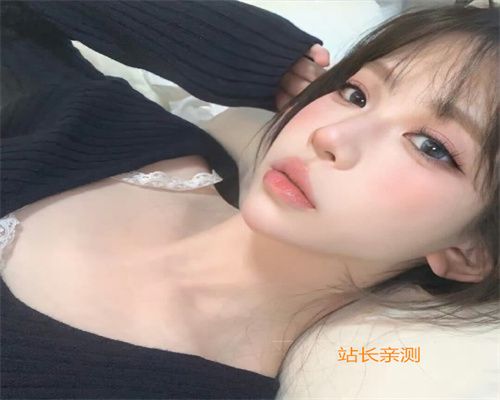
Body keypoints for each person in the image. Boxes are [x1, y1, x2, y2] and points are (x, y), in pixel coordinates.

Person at [0, 1, 498, 400]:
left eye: (431, 147)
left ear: (472, 252)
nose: (330, 135)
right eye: (354, 94)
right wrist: (254, 52)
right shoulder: (120, 128)